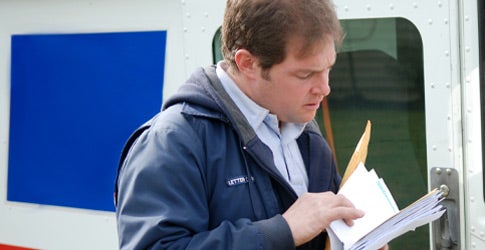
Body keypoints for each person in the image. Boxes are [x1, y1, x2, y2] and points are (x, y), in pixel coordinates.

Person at [114, 0, 370, 249]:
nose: (325, 88)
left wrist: (358, 239)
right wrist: (284, 231)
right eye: (305, 75)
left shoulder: (306, 134)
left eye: (328, 68)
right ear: (247, 63)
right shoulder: (171, 142)